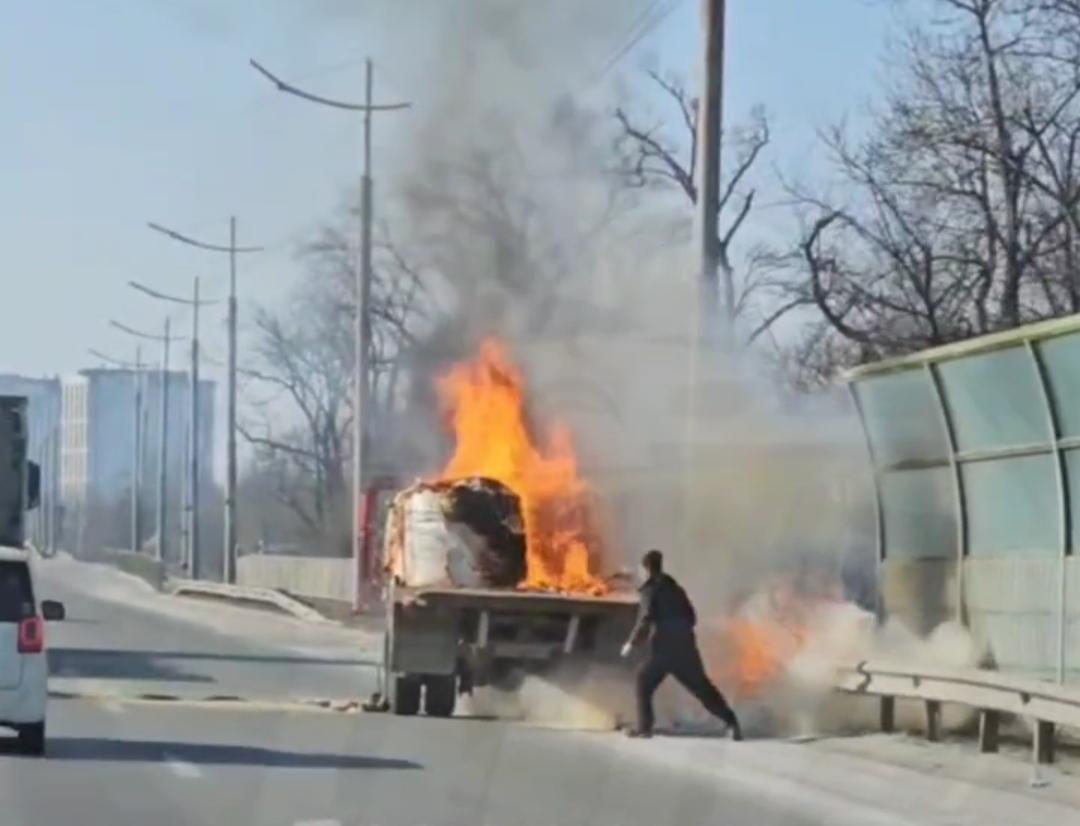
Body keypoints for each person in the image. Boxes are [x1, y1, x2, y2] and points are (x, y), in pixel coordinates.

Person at [621, 549, 742, 740]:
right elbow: (692, 617)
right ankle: (732, 723)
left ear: (646, 569)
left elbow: (645, 619)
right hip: (686, 647)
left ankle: (644, 728)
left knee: (643, 682)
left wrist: (631, 643)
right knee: (702, 688)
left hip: (663, 649)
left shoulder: (650, 590)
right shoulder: (676, 588)